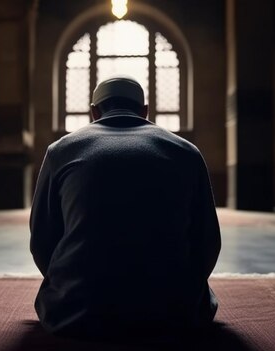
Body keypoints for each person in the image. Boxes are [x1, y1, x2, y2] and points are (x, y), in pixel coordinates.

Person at [30, 75, 221, 338]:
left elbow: (41, 240)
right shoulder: (186, 152)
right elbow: (208, 241)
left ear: (94, 112)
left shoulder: (60, 151)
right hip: (174, 315)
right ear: (145, 111)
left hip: (75, 314)